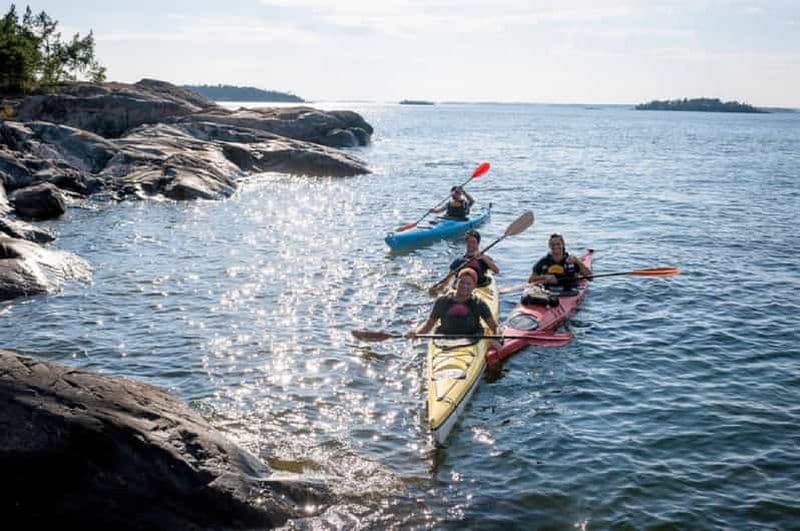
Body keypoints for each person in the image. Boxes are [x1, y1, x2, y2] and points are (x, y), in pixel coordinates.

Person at [409, 268, 498, 341]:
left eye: (468, 284)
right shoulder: (442, 301)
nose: (464, 286)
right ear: (456, 283)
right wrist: (416, 333)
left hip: (472, 340)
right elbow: (429, 324)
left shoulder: (479, 303)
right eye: (462, 282)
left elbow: (493, 327)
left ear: (474, 286)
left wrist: (498, 336)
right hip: (444, 340)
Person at [527, 233, 592, 288]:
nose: (555, 246)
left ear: (563, 244)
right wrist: (545, 277)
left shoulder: (571, 260)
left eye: (558, 244)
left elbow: (590, 277)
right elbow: (530, 280)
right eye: (553, 245)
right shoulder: (543, 261)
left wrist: (577, 262)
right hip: (549, 291)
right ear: (549, 246)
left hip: (570, 290)